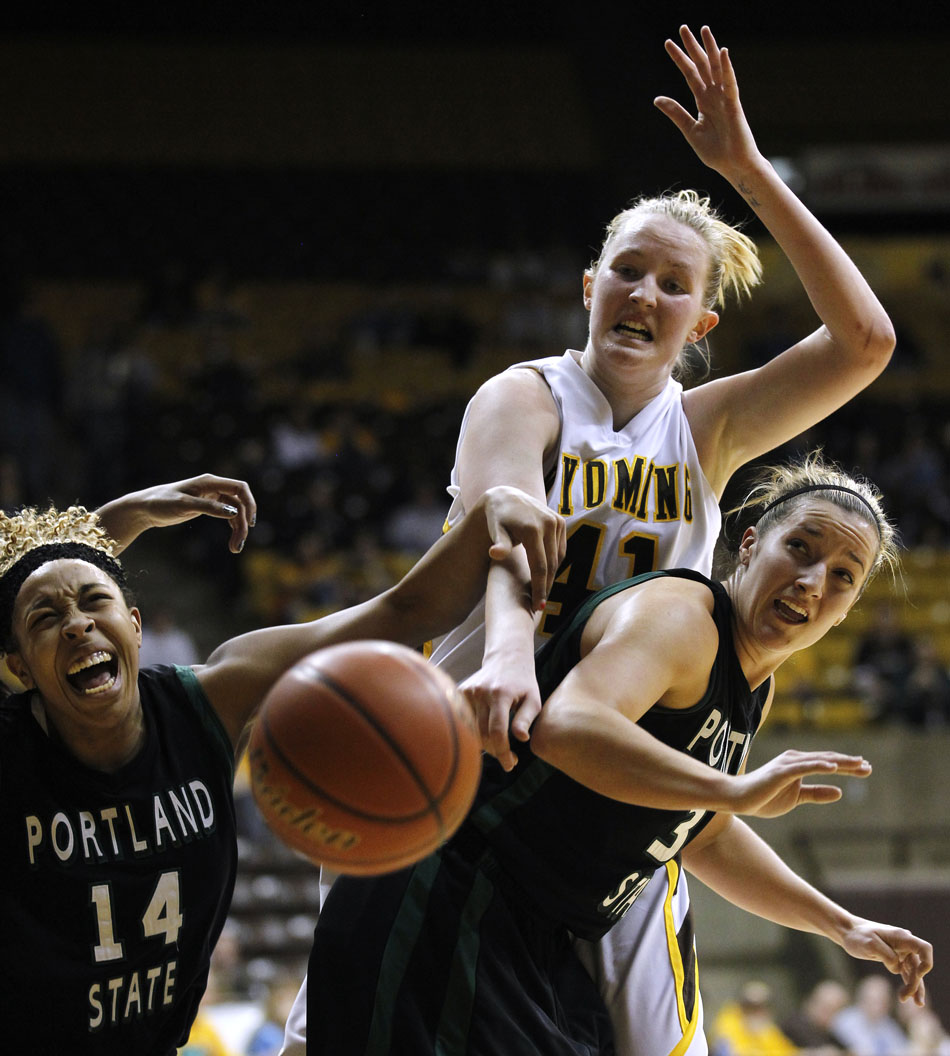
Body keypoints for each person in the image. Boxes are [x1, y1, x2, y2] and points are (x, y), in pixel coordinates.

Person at [424, 23, 898, 1056]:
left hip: (608, 780)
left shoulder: (705, 430)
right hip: (471, 742)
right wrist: (507, 658)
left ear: (700, 327)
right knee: (348, 1017)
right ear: (588, 287)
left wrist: (747, 172)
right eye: (626, 271)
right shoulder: (524, 396)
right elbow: (509, 529)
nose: (644, 293)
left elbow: (863, 342)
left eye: (672, 285)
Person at [304, 456, 932, 1054]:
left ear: (850, 606)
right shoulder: (686, 620)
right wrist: (733, 791)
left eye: (844, 574)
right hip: (447, 889)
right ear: (748, 546)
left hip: (528, 934)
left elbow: (703, 836)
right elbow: (568, 726)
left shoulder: (753, 689)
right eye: (800, 547)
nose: (813, 579)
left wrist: (841, 926)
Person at [0, 477, 561, 1056]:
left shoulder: (210, 700)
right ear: (16, 667)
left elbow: (404, 610)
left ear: (137, 626)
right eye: (45, 619)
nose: (76, 624)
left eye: (96, 602)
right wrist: (124, 514)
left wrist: (487, 510)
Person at [710, 980, 797, 1056]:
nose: (758, 1011)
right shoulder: (728, 1022)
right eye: (752, 1007)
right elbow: (730, 1051)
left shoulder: (765, 1027)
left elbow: (785, 1049)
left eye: (762, 1006)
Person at [832, 975, 911, 1056]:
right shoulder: (845, 1020)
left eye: (882, 1001)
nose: (877, 1007)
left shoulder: (888, 1024)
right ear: (861, 1000)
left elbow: (902, 1049)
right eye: (872, 1001)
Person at [780, 978, 851, 1053]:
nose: (829, 1015)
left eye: (834, 1011)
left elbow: (845, 1048)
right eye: (826, 1008)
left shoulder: (826, 1030)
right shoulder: (795, 1024)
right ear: (812, 1002)